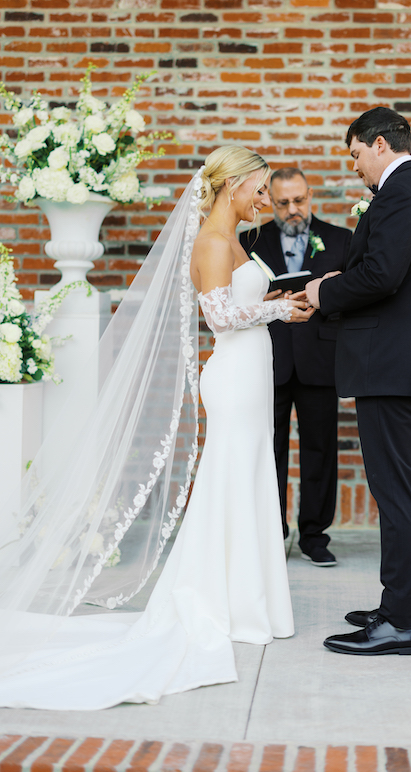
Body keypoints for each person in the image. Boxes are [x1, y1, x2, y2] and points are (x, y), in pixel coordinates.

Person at [0, 146, 313, 710]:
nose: (265, 200)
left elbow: (236, 301)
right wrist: (278, 312)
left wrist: (274, 299)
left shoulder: (236, 242)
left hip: (250, 375)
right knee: (231, 477)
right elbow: (218, 317)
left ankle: (250, 600)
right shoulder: (213, 242)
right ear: (232, 186)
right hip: (234, 377)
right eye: (260, 189)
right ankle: (229, 602)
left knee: (247, 478)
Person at [300, 106, 411, 657]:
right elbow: (400, 275)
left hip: (390, 366)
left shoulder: (400, 195)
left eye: (356, 154)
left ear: (380, 145)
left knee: (396, 494)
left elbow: (381, 276)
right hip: (410, 362)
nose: (356, 167)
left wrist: (324, 292)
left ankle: (398, 622)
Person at [241, 168, 351, 567]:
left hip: (320, 358)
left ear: (310, 195)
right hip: (267, 358)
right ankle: (271, 531)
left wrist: (327, 295)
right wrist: (267, 300)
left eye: (299, 200)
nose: (292, 210)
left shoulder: (341, 239)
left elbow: (357, 296)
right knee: (269, 450)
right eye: (282, 202)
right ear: (270, 200)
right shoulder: (249, 241)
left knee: (320, 450)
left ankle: (315, 536)